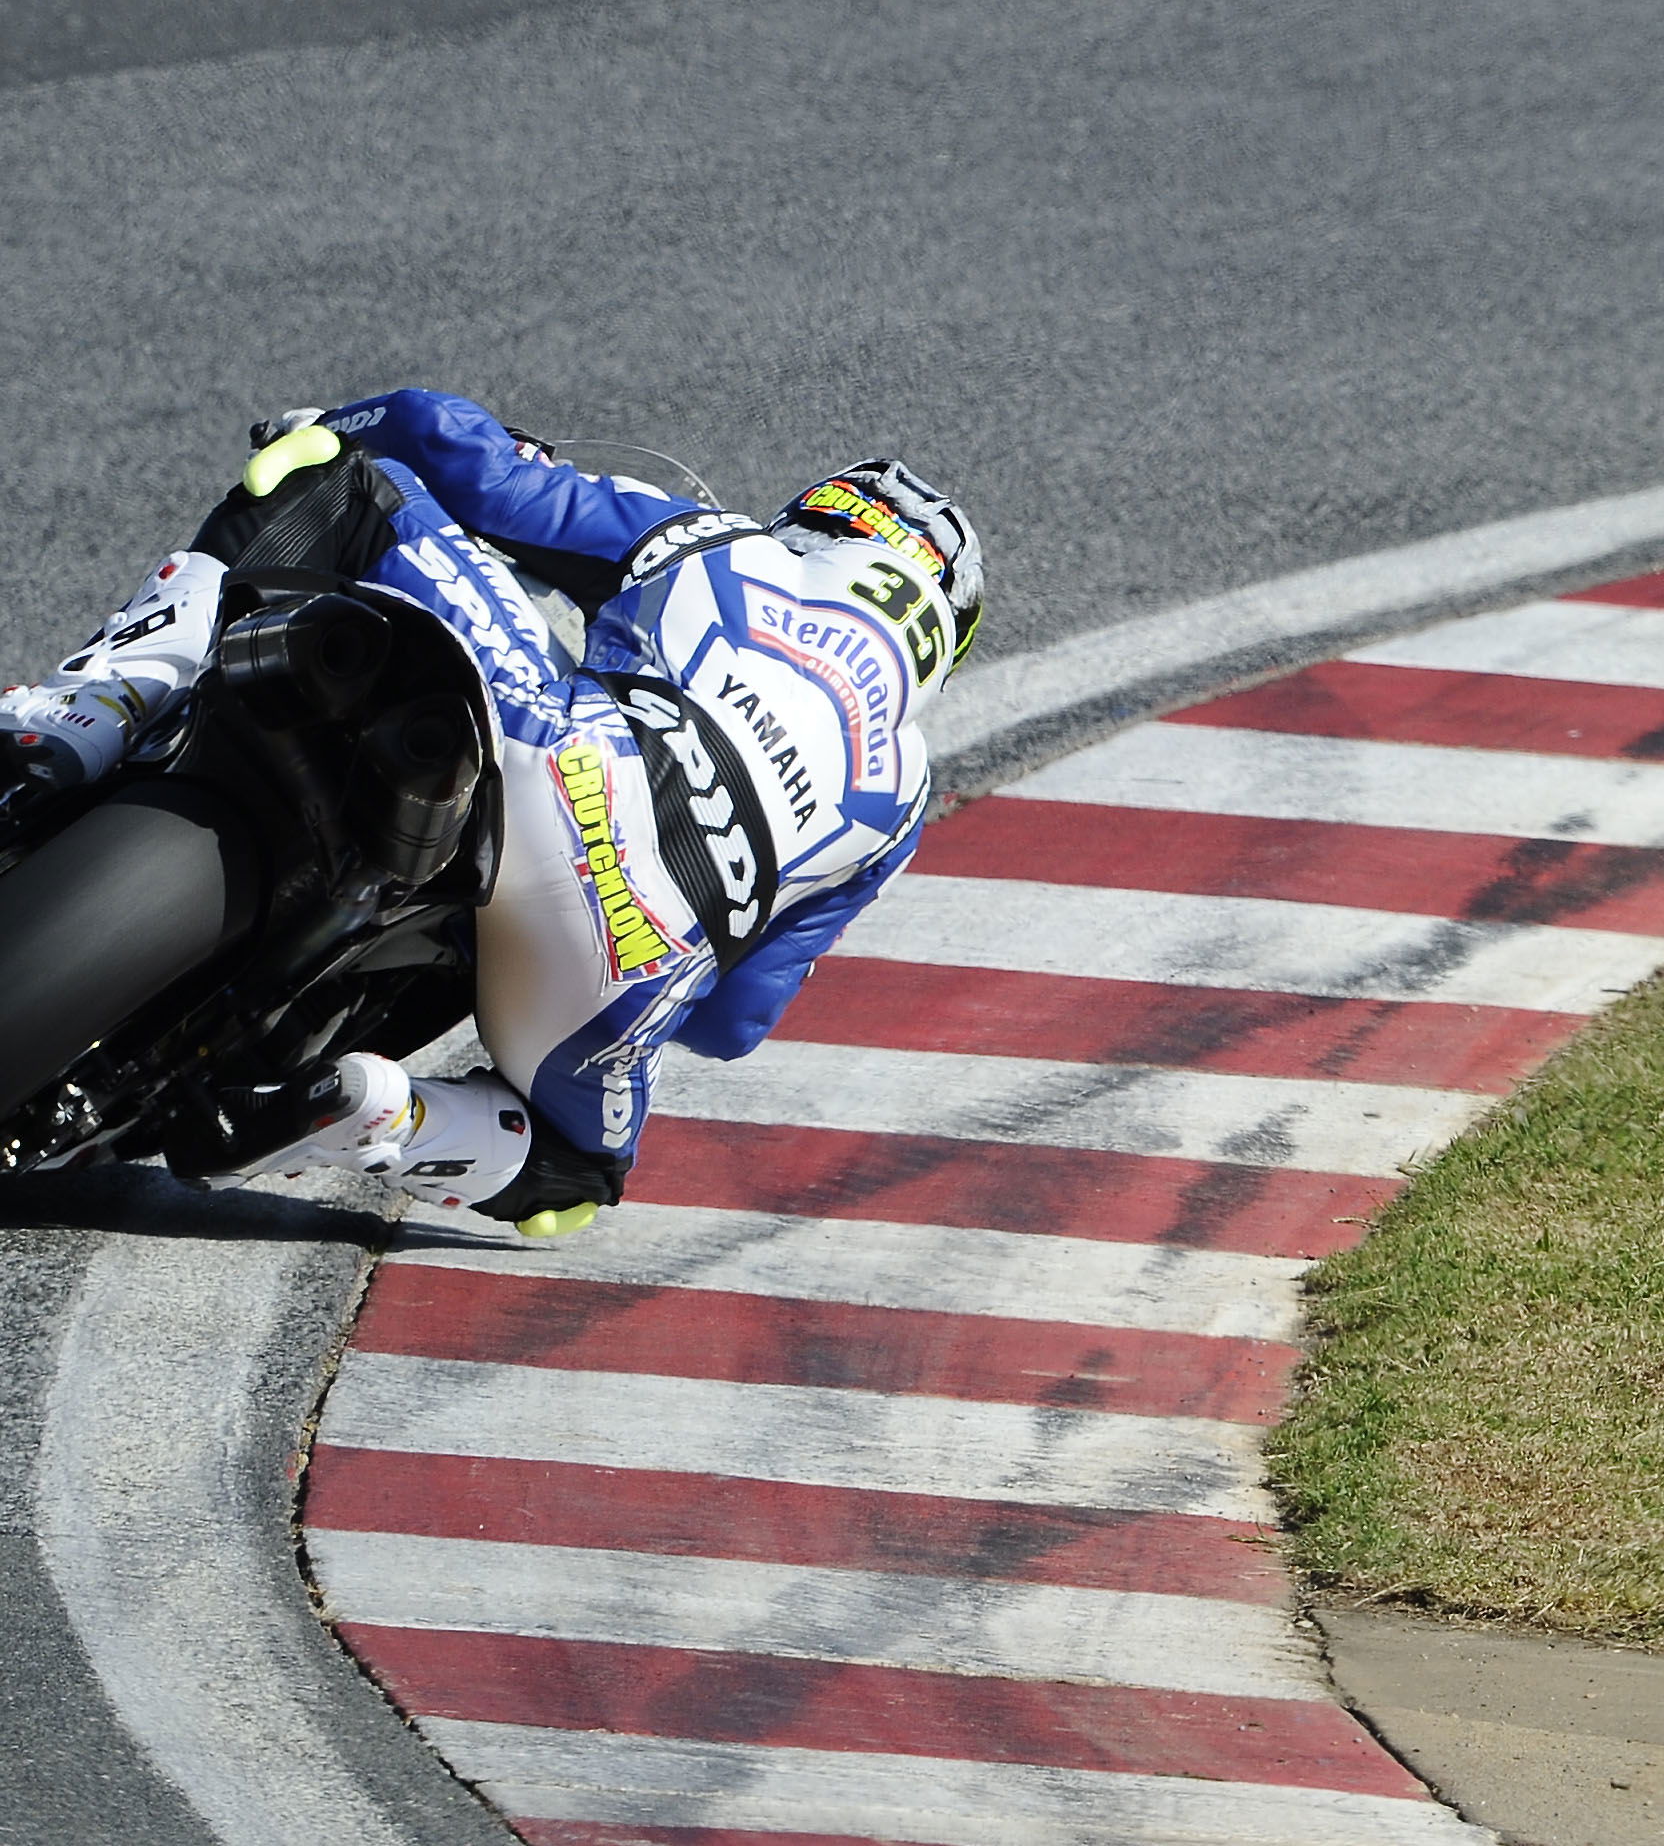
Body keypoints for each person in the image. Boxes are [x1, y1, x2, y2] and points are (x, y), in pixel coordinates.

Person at [0, 389, 982, 1235]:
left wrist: (349, 419)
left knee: (339, 478)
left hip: (562, 750)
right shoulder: (898, 795)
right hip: (623, 963)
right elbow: (730, 1024)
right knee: (579, 1182)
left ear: (818, 522)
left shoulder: (724, 547)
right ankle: (383, 1118)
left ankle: (93, 704)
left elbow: (464, 457)